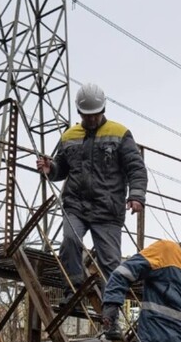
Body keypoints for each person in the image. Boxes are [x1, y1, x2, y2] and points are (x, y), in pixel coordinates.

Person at [36, 82, 147, 305]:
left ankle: (111, 312)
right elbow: (61, 167)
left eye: (95, 115)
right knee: (69, 240)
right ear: (80, 112)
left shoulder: (120, 134)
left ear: (103, 110)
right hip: (76, 204)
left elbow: (136, 167)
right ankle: (73, 290)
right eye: (87, 116)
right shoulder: (69, 136)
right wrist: (51, 169)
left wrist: (136, 195)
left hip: (108, 210)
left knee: (110, 262)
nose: (92, 120)